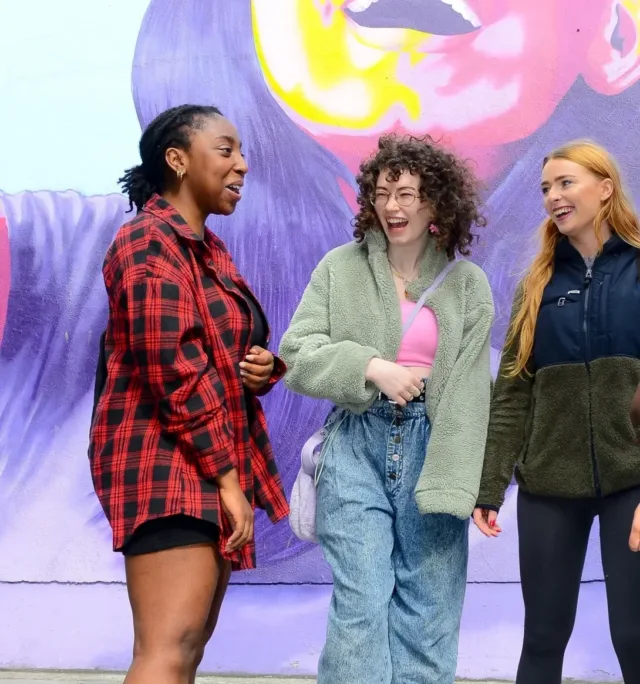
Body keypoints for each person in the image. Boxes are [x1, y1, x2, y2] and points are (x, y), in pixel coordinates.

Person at [279, 134, 494, 684]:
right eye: (382, 193)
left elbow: (470, 393)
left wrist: (464, 482)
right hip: (356, 440)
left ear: (436, 202)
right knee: (361, 600)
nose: (393, 206)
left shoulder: (467, 284)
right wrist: (370, 366)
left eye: (407, 193)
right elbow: (296, 354)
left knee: (428, 610)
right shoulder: (339, 268)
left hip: (434, 442)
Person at [88, 104, 289, 684]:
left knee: (188, 646)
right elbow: (172, 368)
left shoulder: (207, 248)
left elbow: (214, 349)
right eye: (225, 150)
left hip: (204, 460)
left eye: (241, 152)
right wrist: (228, 480)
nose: (242, 165)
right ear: (177, 160)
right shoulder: (148, 242)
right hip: (164, 462)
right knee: (168, 648)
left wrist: (263, 367)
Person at [473, 140, 640, 683]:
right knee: (543, 637)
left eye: (566, 183)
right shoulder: (537, 284)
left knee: (634, 634)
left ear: (605, 188)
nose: (553, 196)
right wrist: (491, 486)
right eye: (546, 187)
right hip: (550, 482)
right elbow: (512, 394)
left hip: (632, 480)